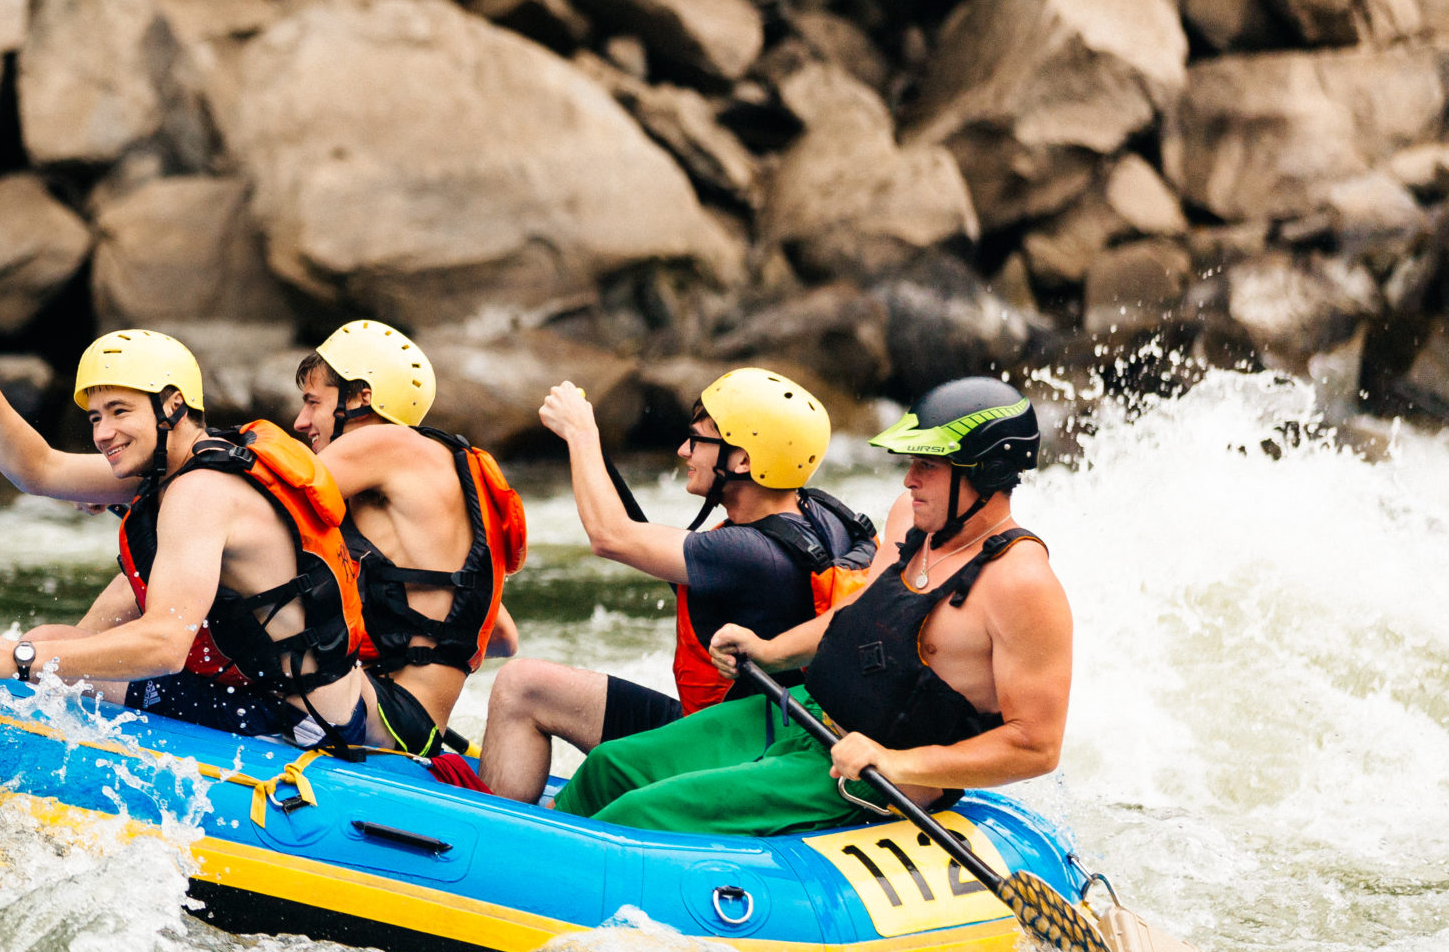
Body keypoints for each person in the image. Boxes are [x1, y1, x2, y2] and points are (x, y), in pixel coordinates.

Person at [552, 377, 1069, 834]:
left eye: (927, 466)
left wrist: (895, 763)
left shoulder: (1021, 584)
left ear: (986, 472)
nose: (908, 479)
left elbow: (1035, 746)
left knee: (639, 813)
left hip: (869, 776)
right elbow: (861, 611)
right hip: (805, 713)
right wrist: (770, 650)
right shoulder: (914, 521)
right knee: (611, 767)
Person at [0, 323, 374, 746]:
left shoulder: (200, 491)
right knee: (57, 641)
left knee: (48, 653)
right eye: (96, 418)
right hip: (302, 701)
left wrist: (19, 657)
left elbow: (164, 646)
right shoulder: (183, 464)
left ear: (172, 405)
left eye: (119, 411)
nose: (103, 433)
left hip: (297, 721)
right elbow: (38, 469)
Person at [477, 367, 876, 804]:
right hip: (758, 732)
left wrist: (580, 432)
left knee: (519, 688)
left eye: (698, 440)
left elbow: (610, 536)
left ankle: (488, 833)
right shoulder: (824, 515)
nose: (684, 450)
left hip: (731, 754)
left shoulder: (747, 553)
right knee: (528, 683)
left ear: (743, 461)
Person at [289, 321, 525, 767]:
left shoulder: (386, 442)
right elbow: (502, 636)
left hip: (388, 716)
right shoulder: (426, 477)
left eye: (313, 402)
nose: (301, 421)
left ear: (360, 397)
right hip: (415, 724)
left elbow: (262, 501)